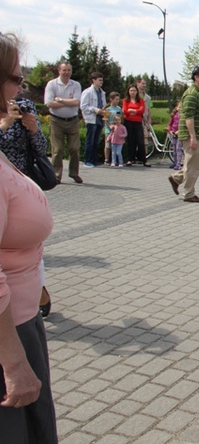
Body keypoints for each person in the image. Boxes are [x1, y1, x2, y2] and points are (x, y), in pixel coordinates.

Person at [0, 31, 58, 443]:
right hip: (8, 334)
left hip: (23, 318)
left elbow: (42, 164)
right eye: (17, 79)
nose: (22, 90)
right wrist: (14, 362)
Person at [0, 91, 52, 319]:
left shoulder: (26, 105)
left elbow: (41, 147)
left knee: (30, 245)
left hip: (22, 183)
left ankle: (37, 293)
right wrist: (5, 124)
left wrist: (33, 129)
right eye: (14, 79)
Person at [168, 67, 199, 203]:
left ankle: (177, 178)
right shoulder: (191, 94)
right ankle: (188, 193)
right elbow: (188, 117)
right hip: (193, 136)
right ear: (196, 78)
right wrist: (192, 136)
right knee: (193, 164)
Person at [44, 61, 82, 184]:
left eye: (68, 70)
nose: (66, 73)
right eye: (64, 70)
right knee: (57, 149)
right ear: (59, 71)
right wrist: (68, 101)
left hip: (73, 121)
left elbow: (76, 102)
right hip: (56, 121)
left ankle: (74, 173)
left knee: (74, 148)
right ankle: (56, 175)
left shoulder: (76, 85)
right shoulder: (52, 84)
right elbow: (49, 103)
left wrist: (59, 100)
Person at [80, 72, 107, 168]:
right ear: (93, 80)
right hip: (92, 119)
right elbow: (83, 106)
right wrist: (95, 110)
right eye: (99, 80)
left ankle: (94, 160)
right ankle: (87, 160)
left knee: (96, 141)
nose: (101, 82)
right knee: (90, 140)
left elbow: (103, 104)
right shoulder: (87, 92)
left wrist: (104, 111)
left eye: (102, 80)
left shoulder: (102, 92)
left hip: (100, 118)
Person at [121, 85, 149, 167]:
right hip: (128, 122)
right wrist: (135, 111)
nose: (133, 92)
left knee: (140, 141)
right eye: (131, 90)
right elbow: (125, 111)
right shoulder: (125, 100)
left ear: (137, 92)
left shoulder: (140, 100)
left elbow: (142, 110)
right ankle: (130, 159)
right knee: (130, 141)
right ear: (128, 92)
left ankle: (144, 160)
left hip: (138, 122)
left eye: (134, 90)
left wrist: (132, 110)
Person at [102, 92, 121, 166]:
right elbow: (105, 119)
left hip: (116, 129)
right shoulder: (108, 109)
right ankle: (106, 159)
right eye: (116, 99)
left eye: (118, 99)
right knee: (107, 144)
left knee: (116, 144)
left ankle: (114, 160)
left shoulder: (119, 108)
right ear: (111, 99)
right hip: (109, 129)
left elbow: (120, 117)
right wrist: (109, 125)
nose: (117, 101)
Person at [136, 77, 152, 154]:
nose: (144, 85)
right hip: (135, 119)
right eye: (142, 83)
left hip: (144, 120)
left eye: (145, 84)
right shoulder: (134, 96)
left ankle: (144, 156)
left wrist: (149, 121)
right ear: (137, 84)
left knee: (145, 137)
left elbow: (149, 110)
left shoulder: (148, 98)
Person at [167, 103, 182, 170]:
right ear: (176, 108)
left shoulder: (183, 117)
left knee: (178, 149)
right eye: (179, 107)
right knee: (174, 149)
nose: (180, 109)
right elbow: (170, 124)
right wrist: (170, 131)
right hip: (173, 134)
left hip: (180, 134)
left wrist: (178, 132)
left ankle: (178, 164)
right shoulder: (174, 115)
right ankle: (175, 162)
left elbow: (183, 126)